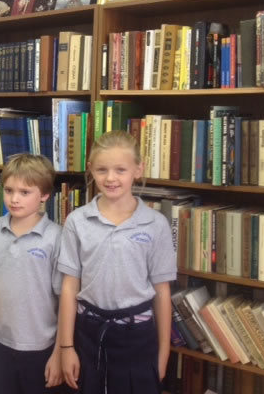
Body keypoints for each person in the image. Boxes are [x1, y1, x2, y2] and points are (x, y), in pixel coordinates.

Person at [57, 130, 176, 394]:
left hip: (138, 337)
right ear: (91, 169)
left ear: (138, 170)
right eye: (102, 170)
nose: (110, 178)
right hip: (88, 334)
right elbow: (69, 286)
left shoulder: (156, 224)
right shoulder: (77, 221)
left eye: (120, 170)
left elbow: (162, 291)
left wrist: (163, 353)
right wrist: (66, 347)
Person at [0, 153, 63, 394]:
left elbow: (64, 299)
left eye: (24, 192)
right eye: (9, 190)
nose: (14, 199)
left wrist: (59, 352)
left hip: (39, 346)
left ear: (45, 195)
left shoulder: (56, 237)